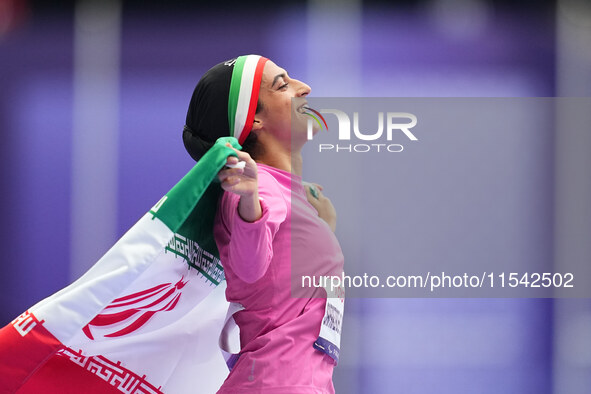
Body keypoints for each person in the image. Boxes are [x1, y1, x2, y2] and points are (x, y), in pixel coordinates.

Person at [183, 55, 344, 393]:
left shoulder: (287, 194)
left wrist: (324, 227)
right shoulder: (256, 187)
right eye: (283, 85)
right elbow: (250, 268)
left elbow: (283, 289)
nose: (305, 88)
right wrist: (249, 204)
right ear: (253, 120)